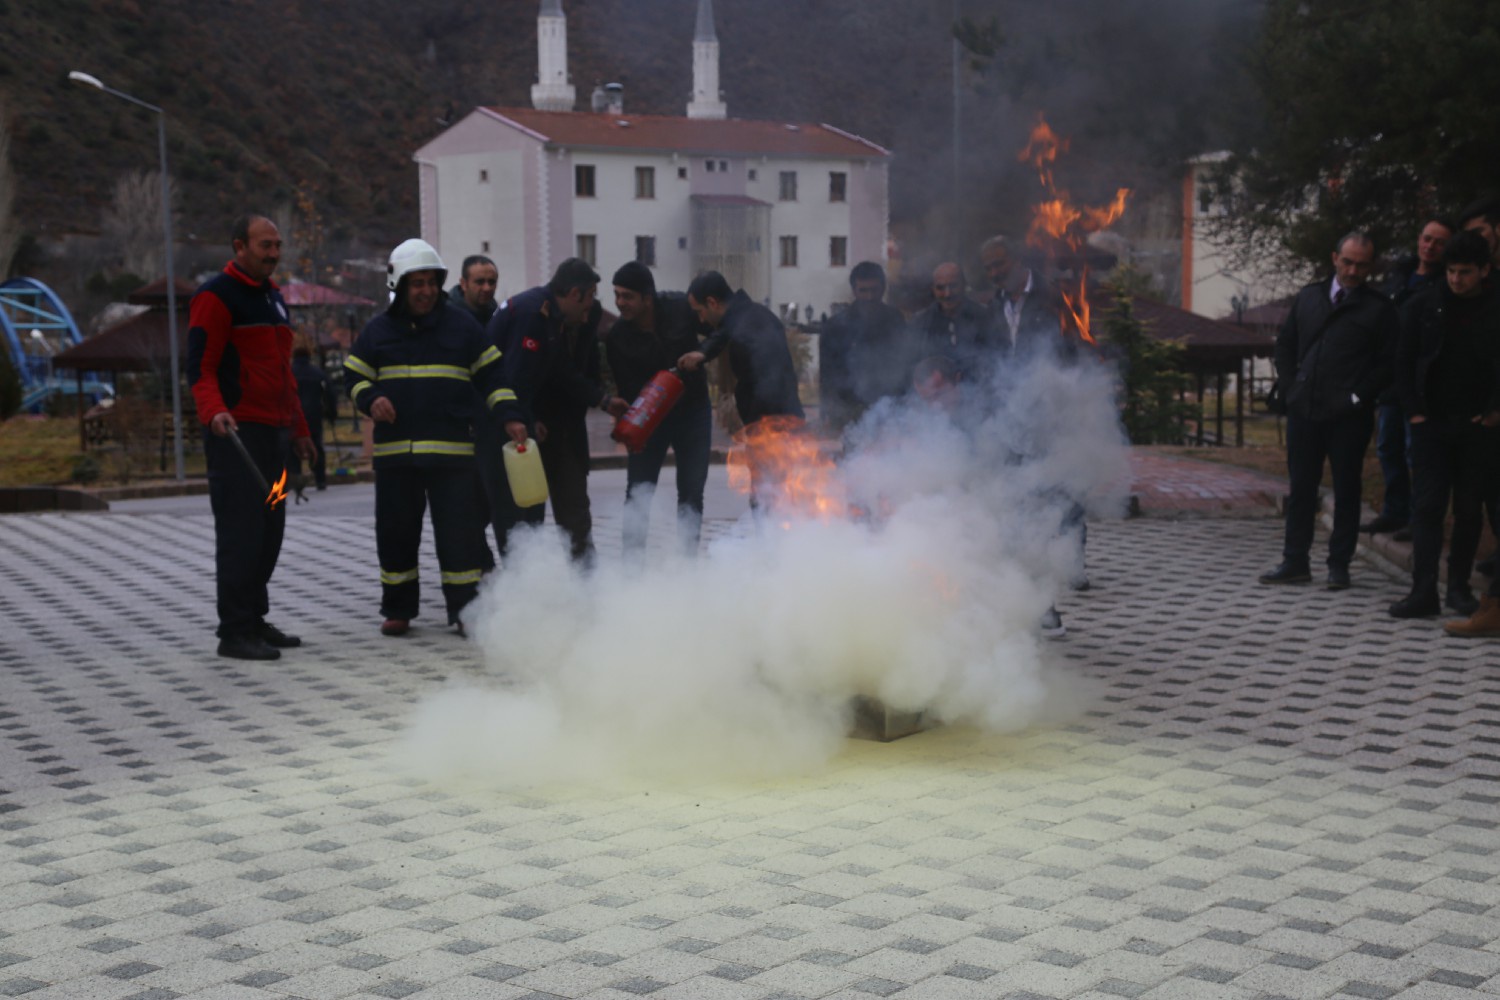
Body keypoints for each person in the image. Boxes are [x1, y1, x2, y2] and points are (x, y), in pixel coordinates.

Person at [344, 238, 502, 637]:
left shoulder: (462, 327)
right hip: (396, 457)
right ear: (398, 284)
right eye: (418, 283)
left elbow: (495, 378)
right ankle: (398, 609)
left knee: (460, 538)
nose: (427, 291)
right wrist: (371, 397)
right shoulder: (377, 331)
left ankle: (466, 612)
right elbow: (354, 376)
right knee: (396, 535)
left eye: (432, 282)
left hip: (452, 457)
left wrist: (512, 417)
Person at [187, 214, 316, 661]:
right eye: (265, 246)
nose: (274, 254)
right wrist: (213, 411)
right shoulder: (215, 296)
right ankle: (234, 631)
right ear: (239, 246)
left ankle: (254, 618)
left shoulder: (275, 300)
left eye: (278, 245)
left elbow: (284, 373)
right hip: (238, 439)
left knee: (270, 530)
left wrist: (299, 430)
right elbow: (200, 368)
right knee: (242, 534)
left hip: (277, 439)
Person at [1260, 231, 1397, 591]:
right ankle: (1295, 561)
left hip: (1348, 417)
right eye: (1348, 261)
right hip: (1305, 410)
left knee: (1347, 490)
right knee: (1301, 487)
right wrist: (1291, 388)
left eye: (1362, 265)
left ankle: (1339, 565)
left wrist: (1357, 397)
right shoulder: (1309, 297)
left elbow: (1386, 364)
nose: (1353, 270)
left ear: (1371, 267)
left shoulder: (1379, 309)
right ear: (1335, 257)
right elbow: (1286, 344)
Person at [483, 258, 627, 562]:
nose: (589, 313)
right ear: (575, 294)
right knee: (518, 516)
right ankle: (519, 590)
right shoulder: (533, 315)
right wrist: (527, 419)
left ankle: (578, 587)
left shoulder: (550, 315)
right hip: (505, 425)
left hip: (541, 423)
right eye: (588, 303)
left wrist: (602, 400)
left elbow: (559, 369)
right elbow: (514, 378)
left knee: (561, 512)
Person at [1389, 230, 1500, 619]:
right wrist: (1414, 412)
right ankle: (1423, 590)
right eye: (1451, 271)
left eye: (1465, 272)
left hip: (1478, 427)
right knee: (1428, 508)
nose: (1456, 279)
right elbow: (1402, 360)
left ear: (1484, 270)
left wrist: (1493, 413)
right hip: (1430, 423)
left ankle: (1458, 588)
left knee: (1469, 509)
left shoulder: (1495, 307)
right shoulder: (1426, 303)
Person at [605, 261, 716, 563]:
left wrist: (706, 354)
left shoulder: (681, 308)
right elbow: (626, 392)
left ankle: (686, 567)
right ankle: (631, 571)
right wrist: (628, 429)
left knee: (691, 494)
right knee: (638, 493)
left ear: (647, 298)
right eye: (616, 295)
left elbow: (717, 329)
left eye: (627, 296)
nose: (619, 303)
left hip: (693, 413)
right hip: (651, 422)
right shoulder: (618, 337)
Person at [680, 270, 805, 510]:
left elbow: (768, 381)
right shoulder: (750, 316)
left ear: (712, 303)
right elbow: (723, 332)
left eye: (700, 312)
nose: (702, 321)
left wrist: (758, 428)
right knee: (771, 497)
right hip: (775, 423)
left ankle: (771, 544)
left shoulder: (749, 325)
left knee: (768, 498)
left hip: (771, 427)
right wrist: (703, 352)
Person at [1364, 218, 1453, 537]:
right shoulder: (1398, 276)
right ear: (1419, 239)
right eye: (1427, 239)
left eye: (1439, 242)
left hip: (1422, 379)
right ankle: (1395, 511)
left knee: (1417, 450)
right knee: (1388, 446)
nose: (1430, 246)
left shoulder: (1446, 283)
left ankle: (1420, 518)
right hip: (1391, 376)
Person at [817, 261, 912, 432]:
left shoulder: (894, 320)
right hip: (847, 412)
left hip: (887, 410)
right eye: (863, 290)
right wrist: (828, 410)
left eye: (874, 290)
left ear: (882, 289)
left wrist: (903, 406)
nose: (869, 297)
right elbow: (827, 375)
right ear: (854, 291)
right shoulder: (835, 327)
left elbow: (905, 365)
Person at [979, 235, 1069, 365]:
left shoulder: (1051, 295)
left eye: (999, 264)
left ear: (1017, 260)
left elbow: (1069, 347)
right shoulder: (994, 307)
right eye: (989, 269)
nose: (994, 273)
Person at [909, 261, 994, 380]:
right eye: (940, 288)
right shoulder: (920, 324)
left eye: (953, 286)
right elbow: (912, 367)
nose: (947, 294)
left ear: (964, 285)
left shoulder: (985, 317)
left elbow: (997, 359)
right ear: (933, 289)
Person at [290, 343, 336, 495]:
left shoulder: (289, 372)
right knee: (316, 446)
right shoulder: (318, 373)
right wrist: (332, 414)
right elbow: (329, 393)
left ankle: (295, 478)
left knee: (292, 448)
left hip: (292, 416)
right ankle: (320, 479)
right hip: (314, 414)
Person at [449, 254, 499, 327]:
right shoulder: (446, 318)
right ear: (464, 284)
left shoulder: (498, 316)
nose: (487, 288)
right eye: (480, 282)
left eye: (491, 282)